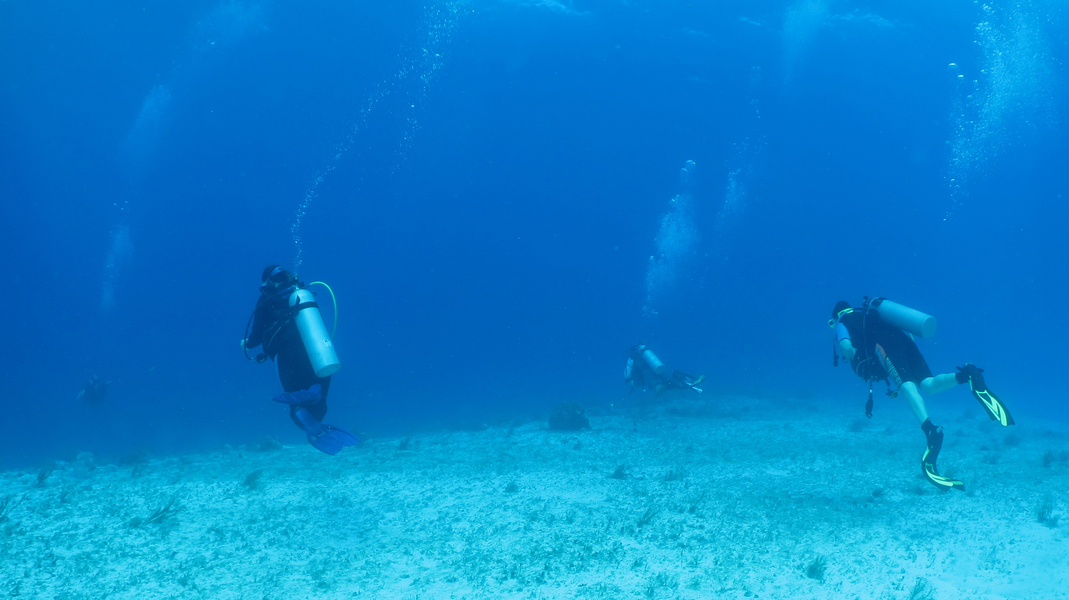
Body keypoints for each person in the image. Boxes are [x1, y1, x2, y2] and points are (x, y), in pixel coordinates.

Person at [830, 298, 1014, 491]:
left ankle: (930, 430)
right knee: (928, 384)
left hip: (884, 344)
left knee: (906, 386)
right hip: (904, 340)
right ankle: (966, 374)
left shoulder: (843, 321)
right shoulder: (871, 315)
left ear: (836, 317)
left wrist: (854, 354)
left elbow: (845, 347)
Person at [242, 265, 358, 455]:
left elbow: (256, 336)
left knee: (294, 398)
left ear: (267, 281)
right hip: (316, 351)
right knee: (321, 398)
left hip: (286, 355)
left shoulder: (267, 298)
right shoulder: (302, 293)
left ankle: (302, 410)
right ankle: (316, 394)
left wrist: (246, 344)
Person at [625, 344, 705, 397]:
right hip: (658, 368)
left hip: (648, 373)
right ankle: (680, 379)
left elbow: (627, 376)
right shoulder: (646, 356)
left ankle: (671, 384)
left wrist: (632, 384)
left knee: (658, 389)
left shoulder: (631, 359)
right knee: (668, 380)